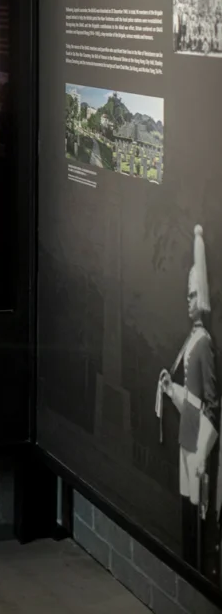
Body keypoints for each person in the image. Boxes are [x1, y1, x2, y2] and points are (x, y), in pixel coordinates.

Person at [158, 226, 219, 580]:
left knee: (198, 517)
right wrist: (171, 391)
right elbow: (192, 401)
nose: (189, 301)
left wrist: (203, 451)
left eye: (194, 295)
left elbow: (211, 404)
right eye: (187, 295)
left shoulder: (205, 344)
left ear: (204, 298)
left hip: (197, 441)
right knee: (185, 512)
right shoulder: (191, 340)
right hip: (186, 436)